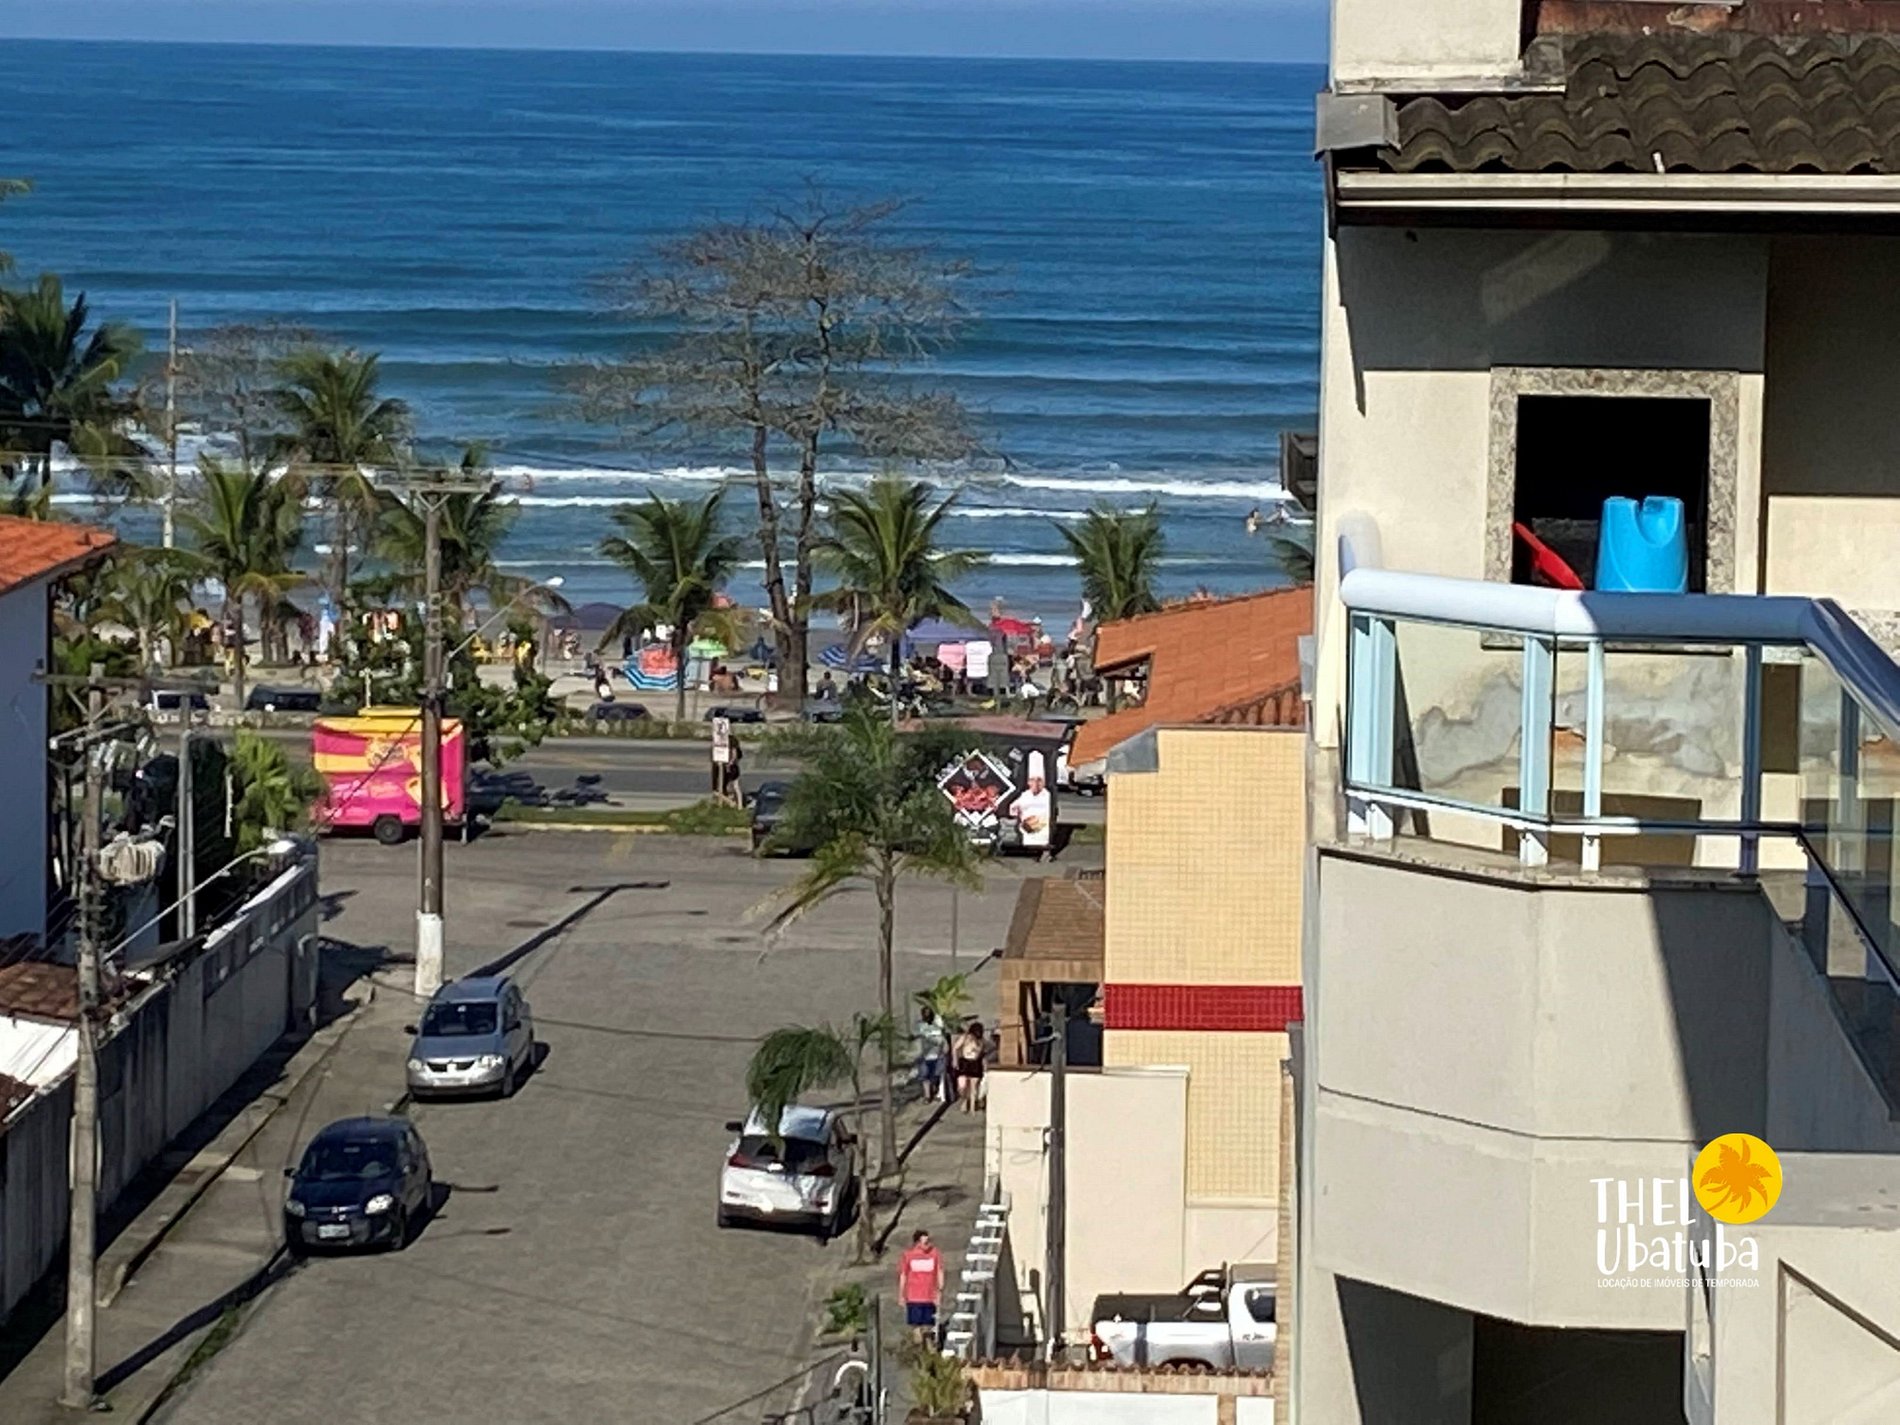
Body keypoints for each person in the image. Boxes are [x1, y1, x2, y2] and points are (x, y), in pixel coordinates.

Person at [899, 1230, 944, 1345]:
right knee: (916, 1327)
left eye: (928, 1241)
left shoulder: (935, 1253)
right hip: (914, 1297)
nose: (927, 1245)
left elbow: (939, 1271)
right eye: (924, 1242)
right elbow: (903, 1275)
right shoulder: (908, 1255)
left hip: (930, 1296)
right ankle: (918, 1349)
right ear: (917, 1242)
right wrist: (901, 1295)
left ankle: (929, 1349)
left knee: (928, 1327)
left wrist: (939, 1290)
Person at [914, 1006, 948, 1103]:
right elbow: (916, 1037)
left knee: (935, 1075)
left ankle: (934, 1090)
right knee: (924, 1076)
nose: (927, 1017)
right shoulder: (920, 1026)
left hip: (938, 1054)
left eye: (929, 1015)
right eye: (925, 1015)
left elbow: (942, 1036)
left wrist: (945, 1046)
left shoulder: (938, 1024)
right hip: (925, 1055)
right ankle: (927, 1096)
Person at [953, 1020, 986, 1114]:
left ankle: (972, 1107)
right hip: (965, 1063)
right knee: (962, 1086)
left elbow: (980, 1053)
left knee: (974, 1087)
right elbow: (955, 1048)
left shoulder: (981, 1041)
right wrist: (955, 1060)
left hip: (975, 1063)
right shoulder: (964, 1037)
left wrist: (977, 1047)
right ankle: (964, 1100)